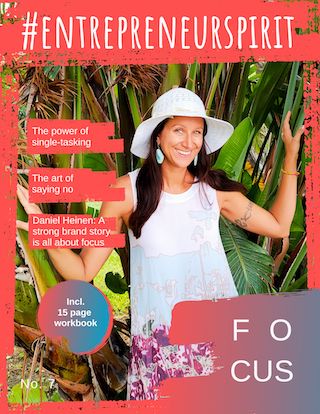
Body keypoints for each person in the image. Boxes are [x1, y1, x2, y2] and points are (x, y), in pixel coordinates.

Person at [17, 87, 304, 400]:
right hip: (162, 354)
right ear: (157, 135)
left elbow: (278, 226)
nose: (188, 142)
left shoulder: (213, 192)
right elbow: (83, 271)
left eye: (197, 132)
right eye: (178, 130)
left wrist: (290, 159)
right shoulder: (125, 193)